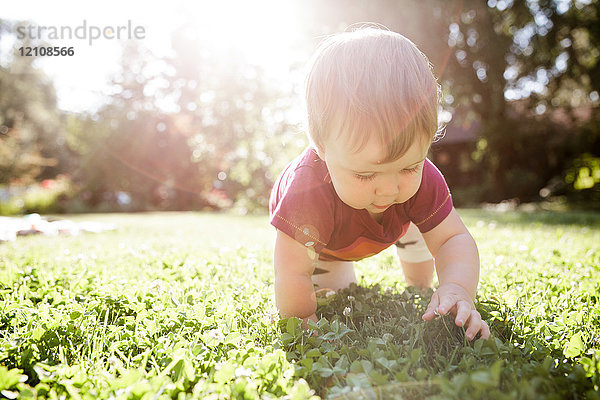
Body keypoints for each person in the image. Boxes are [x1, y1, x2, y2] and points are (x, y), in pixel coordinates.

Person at [269, 26, 490, 341]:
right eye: (365, 174)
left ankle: (420, 286)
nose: (389, 189)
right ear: (321, 145)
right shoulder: (305, 194)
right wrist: (302, 320)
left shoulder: (422, 180)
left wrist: (457, 287)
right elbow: (292, 272)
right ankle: (334, 273)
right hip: (322, 242)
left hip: (399, 221)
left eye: (409, 166)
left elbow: (451, 239)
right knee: (332, 291)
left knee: (421, 220)